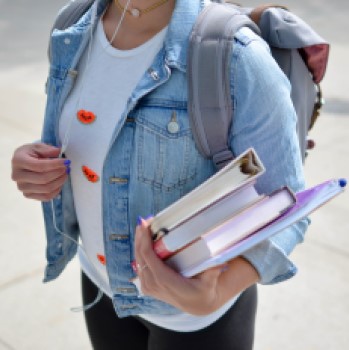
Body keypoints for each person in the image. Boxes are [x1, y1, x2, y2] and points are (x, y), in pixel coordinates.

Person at [11, 0, 308, 349]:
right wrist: (36, 162)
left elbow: (287, 206)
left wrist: (216, 293)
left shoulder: (237, 56)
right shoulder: (73, 25)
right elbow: (92, 133)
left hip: (196, 320)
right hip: (100, 284)